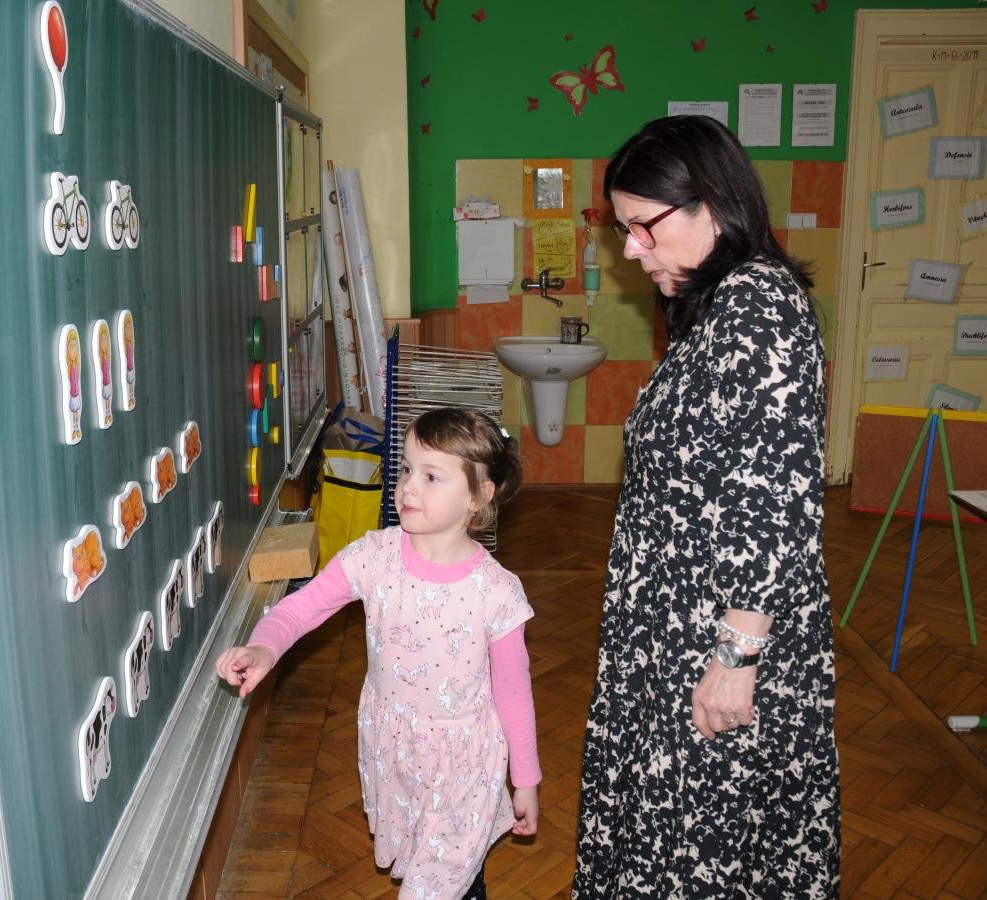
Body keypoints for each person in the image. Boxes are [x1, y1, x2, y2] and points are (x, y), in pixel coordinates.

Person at [572, 115, 841, 897]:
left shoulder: (758, 308)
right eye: (622, 229)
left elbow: (775, 501)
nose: (631, 249)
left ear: (711, 206)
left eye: (643, 227)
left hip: (717, 634)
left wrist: (735, 661)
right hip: (679, 623)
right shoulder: (719, 303)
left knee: (709, 839)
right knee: (681, 832)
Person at [217, 408, 540, 899]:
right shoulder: (375, 557)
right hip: (395, 750)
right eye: (406, 468)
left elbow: (514, 693)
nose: (408, 486)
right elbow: (302, 608)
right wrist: (265, 646)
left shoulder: (497, 592)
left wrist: (526, 779)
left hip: (464, 763)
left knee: (437, 880)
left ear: (478, 496)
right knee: (433, 863)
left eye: (431, 476)